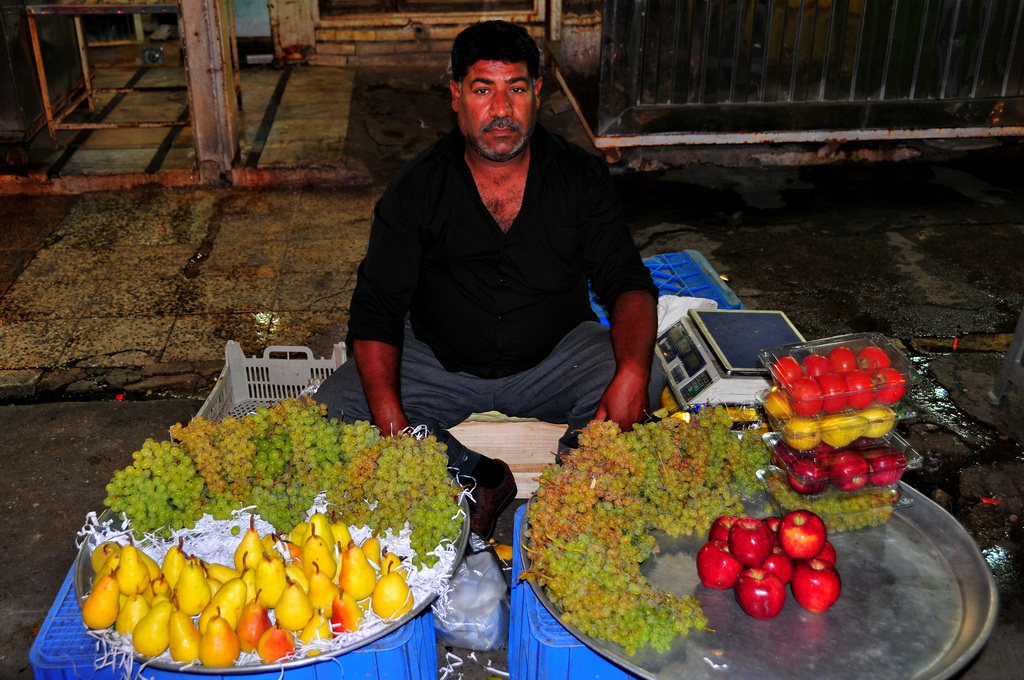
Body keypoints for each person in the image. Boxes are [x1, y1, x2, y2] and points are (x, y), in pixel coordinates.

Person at [316, 20, 664, 539]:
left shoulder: (579, 177)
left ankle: (572, 494)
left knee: (646, 373)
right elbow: (377, 310)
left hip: (554, 357)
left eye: (516, 89)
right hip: (440, 361)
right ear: (456, 95)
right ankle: (479, 476)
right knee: (335, 409)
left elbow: (627, 282)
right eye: (483, 89)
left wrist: (632, 372)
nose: (501, 110)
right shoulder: (416, 188)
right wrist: (394, 431)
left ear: (536, 94)